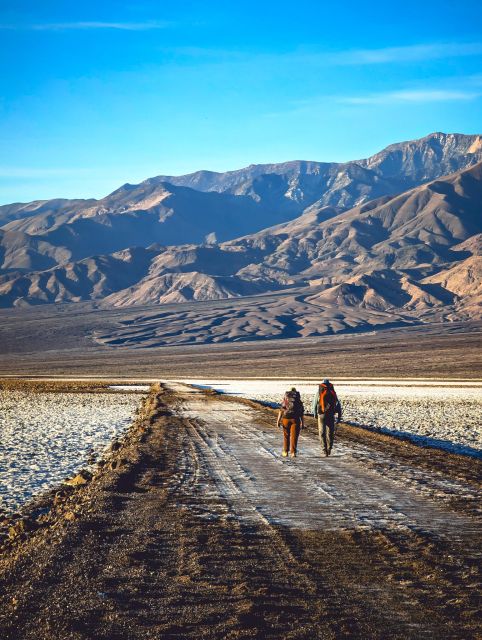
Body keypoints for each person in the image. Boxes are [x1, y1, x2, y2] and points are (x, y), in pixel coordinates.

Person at [311, 379, 342, 456]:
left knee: (322, 432)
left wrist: (314, 413)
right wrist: (339, 416)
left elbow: (314, 403)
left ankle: (324, 449)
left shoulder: (319, 392)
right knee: (330, 432)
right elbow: (338, 403)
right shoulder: (333, 392)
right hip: (331, 414)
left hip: (321, 414)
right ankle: (329, 448)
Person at [277, 387, 304, 458]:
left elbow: (281, 410)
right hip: (295, 419)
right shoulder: (298, 401)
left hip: (286, 419)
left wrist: (278, 421)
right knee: (294, 437)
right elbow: (301, 413)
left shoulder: (286, 399)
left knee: (286, 436)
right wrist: (302, 423)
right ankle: (293, 452)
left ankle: (285, 451)